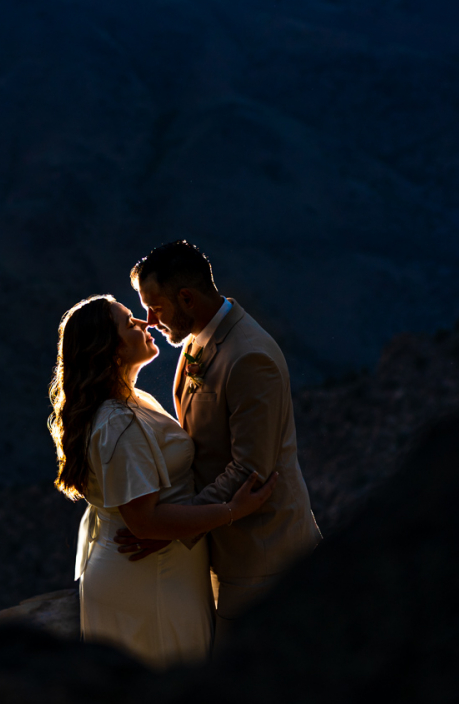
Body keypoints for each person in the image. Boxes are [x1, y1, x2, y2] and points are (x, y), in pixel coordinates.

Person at [49, 294, 278, 667]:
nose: (143, 322)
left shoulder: (134, 401)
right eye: (129, 323)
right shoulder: (118, 421)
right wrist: (232, 510)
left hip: (156, 569)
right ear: (111, 350)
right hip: (148, 578)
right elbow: (144, 522)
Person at [115, 240, 321, 643]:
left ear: (187, 298)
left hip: (264, 557)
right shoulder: (196, 339)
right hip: (226, 547)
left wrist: (171, 527)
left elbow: (251, 472)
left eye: (154, 308)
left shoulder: (249, 357)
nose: (149, 321)